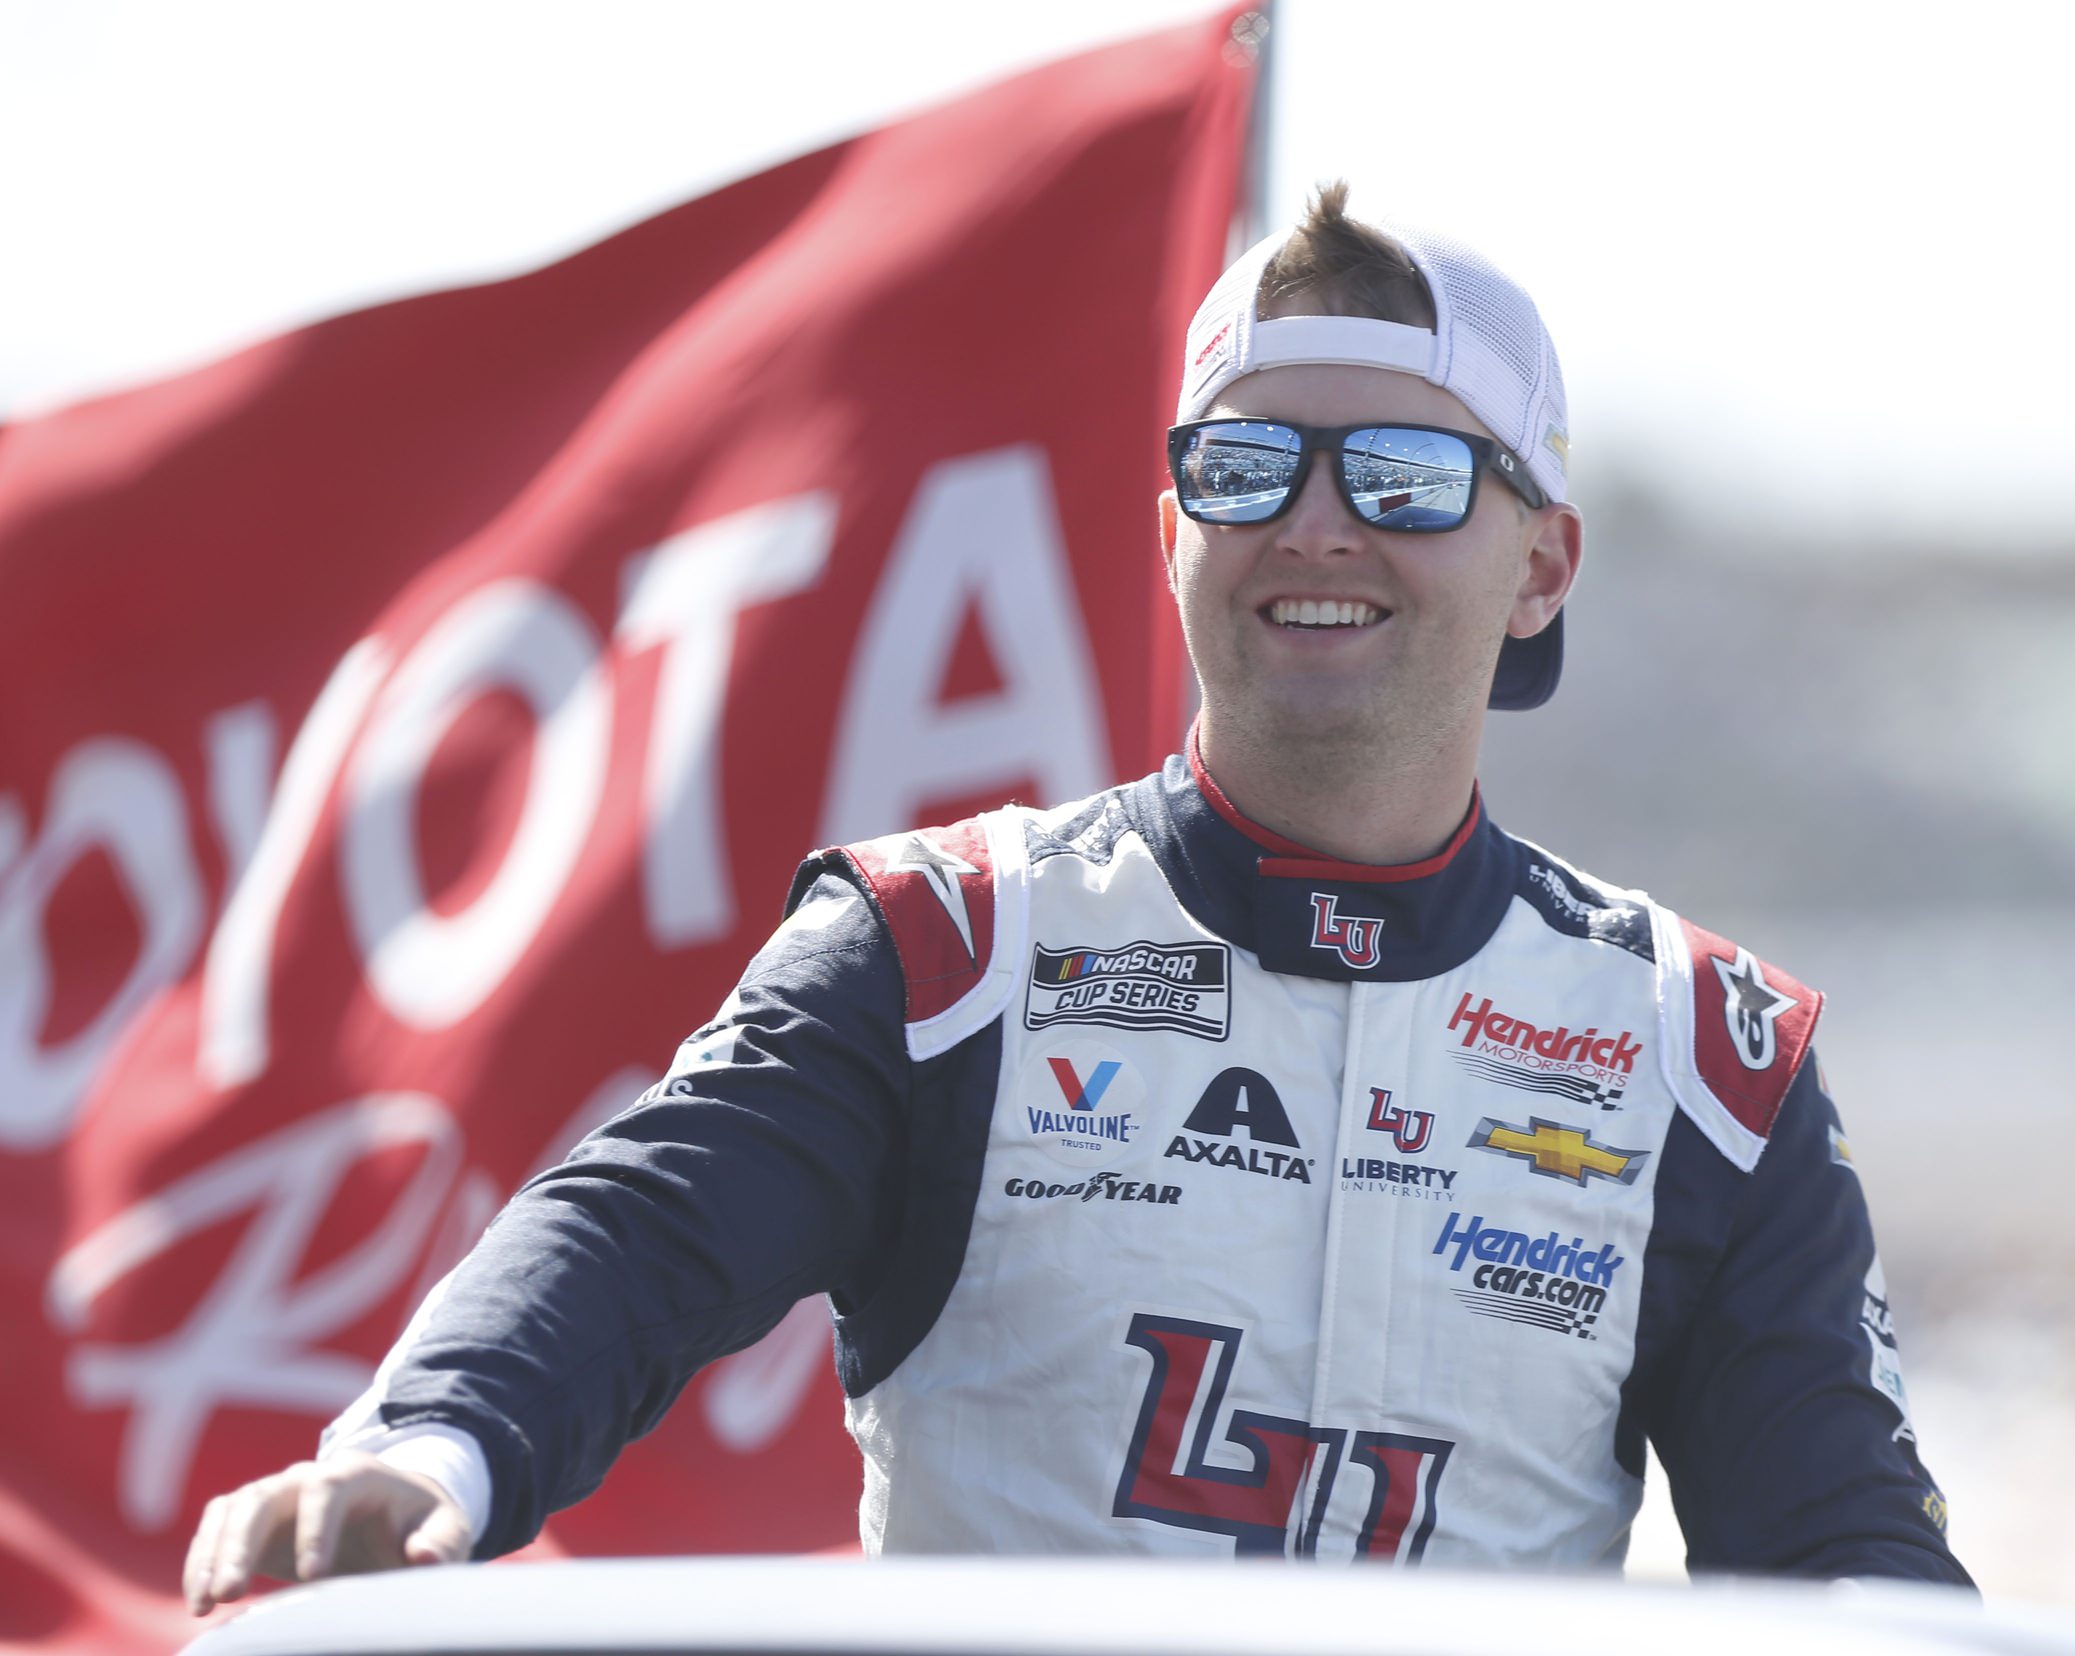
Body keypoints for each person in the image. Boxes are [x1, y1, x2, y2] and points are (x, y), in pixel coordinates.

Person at [184, 184, 1972, 1611]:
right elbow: (631, 1243)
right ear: (1173, 531)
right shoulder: (941, 949)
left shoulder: (1695, 1053)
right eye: (1247, 467)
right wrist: (427, 1453)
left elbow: (1849, 1572)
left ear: (1541, 563)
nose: (1320, 527)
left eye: (1409, 479)